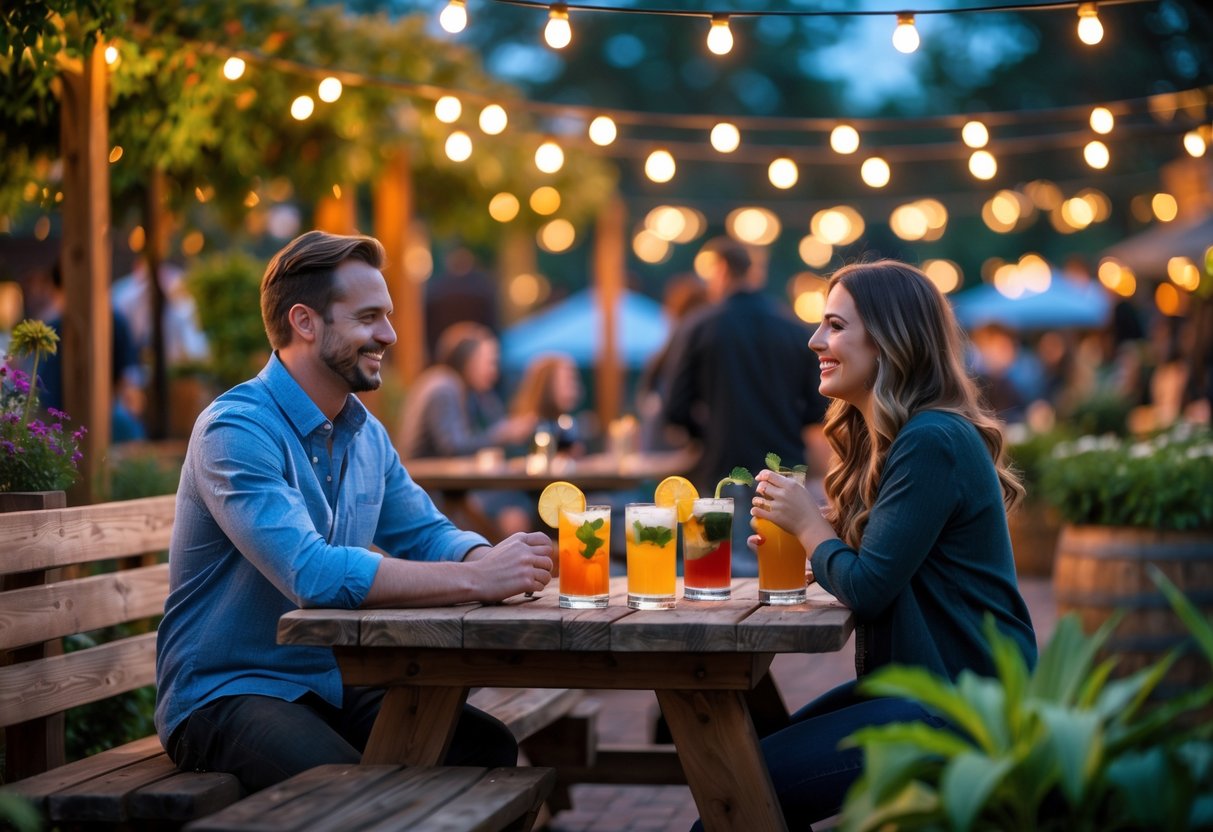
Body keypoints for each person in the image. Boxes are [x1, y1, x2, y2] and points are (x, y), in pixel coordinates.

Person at [154, 231, 554, 793]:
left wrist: (492, 557)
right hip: (228, 691)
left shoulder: (365, 433)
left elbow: (425, 531)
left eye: (387, 316)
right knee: (351, 791)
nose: (389, 334)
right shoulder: (236, 429)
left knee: (483, 751)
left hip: (328, 681)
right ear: (305, 322)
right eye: (369, 317)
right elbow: (311, 574)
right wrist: (477, 577)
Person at [742, 260, 1037, 829]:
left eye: (834, 325)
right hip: (918, 692)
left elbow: (870, 589)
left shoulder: (932, 440)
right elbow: (886, 566)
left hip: (959, 708)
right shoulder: (906, 438)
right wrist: (819, 553)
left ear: (889, 339)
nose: (815, 340)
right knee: (741, 772)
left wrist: (809, 528)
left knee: (737, 792)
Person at [661, 236, 828, 575]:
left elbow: (674, 407)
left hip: (723, 471)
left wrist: (705, 433)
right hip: (784, 475)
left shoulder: (700, 326)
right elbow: (818, 409)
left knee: (721, 573)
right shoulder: (794, 329)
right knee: (780, 571)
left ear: (721, 270)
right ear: (751, 273)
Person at [396, 321, 536, 538]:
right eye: (488, 362)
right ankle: (513, 563)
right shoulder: (444, 386)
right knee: (512, 505)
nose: (493, 371)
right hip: (427, 489)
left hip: (438, 484)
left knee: (511, 500)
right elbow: (453, 446)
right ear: (468, 360)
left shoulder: (455, 386)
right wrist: (503, 434)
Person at [510, 352, 586, 459]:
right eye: (568, 380)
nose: (574, 388)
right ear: (547, 386)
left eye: (574, 380)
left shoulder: (566, 424)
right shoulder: (525, 428)